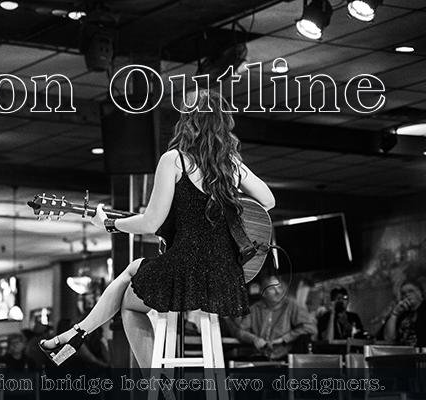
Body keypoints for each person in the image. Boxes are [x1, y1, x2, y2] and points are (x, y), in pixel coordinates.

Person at [40, 89, 275, 367]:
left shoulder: (175, 160)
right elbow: (268, 201)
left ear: (187, 120)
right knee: (133, 270)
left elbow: (151, 222)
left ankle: (156, 383)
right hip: (224, 275)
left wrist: (109, 224)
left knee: (129, 305)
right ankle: (75, 335)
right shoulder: (231, 165)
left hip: (187, 269)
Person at [237, 275, 317, 360]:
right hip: (261, 356)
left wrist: (284, 339)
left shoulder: (291, 305)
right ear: (263, 293)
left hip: (287, 356)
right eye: (272, 288)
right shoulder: (254, 309)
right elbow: (240, 331)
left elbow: (311, 327)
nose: (278, 292)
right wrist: (254, 339)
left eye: (279, 287)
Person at [384, 281, 426, 346]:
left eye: (411, 291)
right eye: (403, 293)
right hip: (403, 350)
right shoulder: (403, 314)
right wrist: (395, 313)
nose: (407, 294)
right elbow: (389, 338)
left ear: (420, 293)